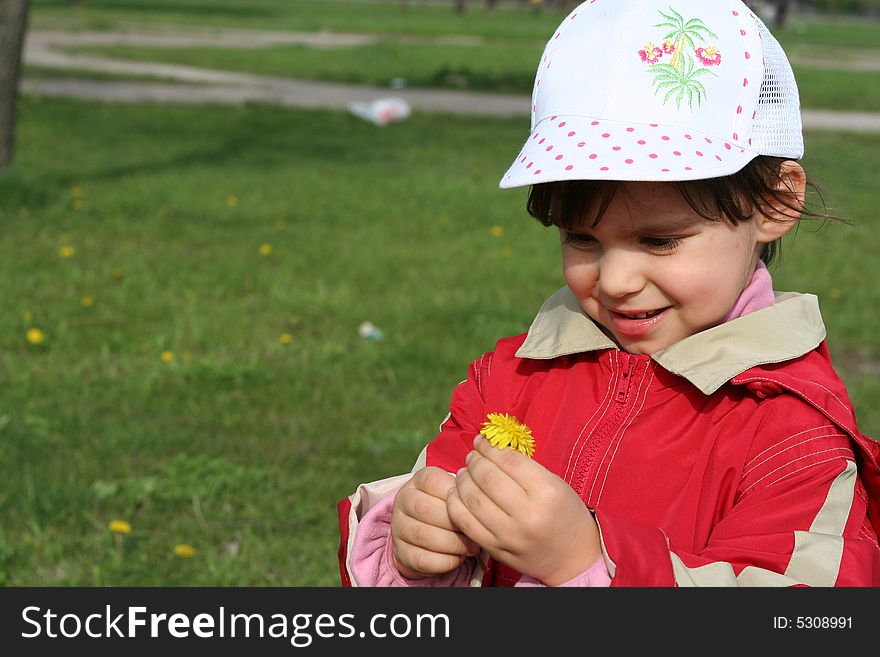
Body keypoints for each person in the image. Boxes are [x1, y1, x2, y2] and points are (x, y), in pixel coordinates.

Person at [337, 0, 880, 587]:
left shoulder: (789, 435)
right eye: (582, 237)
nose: (616, 280)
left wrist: (589, 565)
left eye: (659, 240)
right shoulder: (511, 380)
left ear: (773, 202)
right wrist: (409, 545)